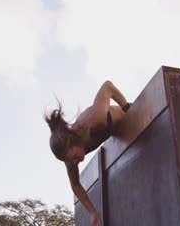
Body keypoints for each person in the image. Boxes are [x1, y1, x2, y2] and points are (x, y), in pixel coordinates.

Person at [44, 80, 131, 226]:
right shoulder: (69, 158)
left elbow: (108, 86)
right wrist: (92, 213)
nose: (75, 162)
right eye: (70, 161)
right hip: (120, 135)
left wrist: (128, 108)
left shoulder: (94, 120)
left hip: (130, 117)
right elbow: (75, 185)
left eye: (73, 157)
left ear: (73, 140)